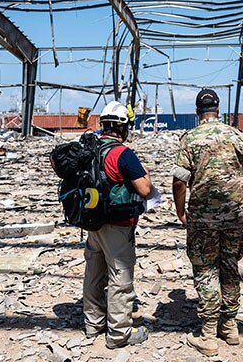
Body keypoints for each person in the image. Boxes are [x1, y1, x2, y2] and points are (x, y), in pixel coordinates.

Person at [172, 89, 243, 356]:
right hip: (233, 216)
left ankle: (208, 333)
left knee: (206, 269)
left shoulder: (190, 139)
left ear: (197, 111)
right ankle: (230, 327)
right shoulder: (237, 135)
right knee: (230, 266)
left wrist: (180, 210)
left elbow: (179, 181)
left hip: (202, 218)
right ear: (218, 109)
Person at [83, 101, 151, 349]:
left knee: (94, 273)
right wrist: (146, 172)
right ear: (123, 128)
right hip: (118, 225)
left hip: (92, 221)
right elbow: (144, 189)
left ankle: (93, 324)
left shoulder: (90, 148)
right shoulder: (123, 154)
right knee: (120, 278)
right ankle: (119, 334)